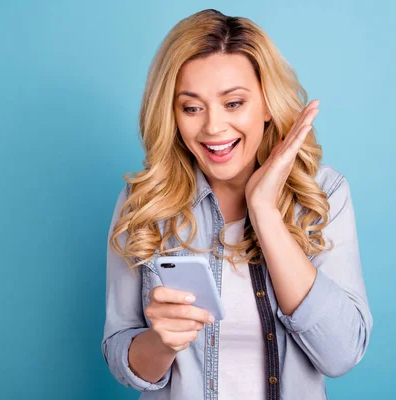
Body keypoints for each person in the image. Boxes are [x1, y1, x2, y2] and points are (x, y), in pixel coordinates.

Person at [101, 8, 373, 400]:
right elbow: (118, 351)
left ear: (266, 104)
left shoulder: (323, 193)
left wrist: (263, 210)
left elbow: (342, 353)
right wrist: (162, 343)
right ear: (172, 114)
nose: (213, 127)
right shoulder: (144, 202)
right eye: (192, 107)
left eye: (233, 103)